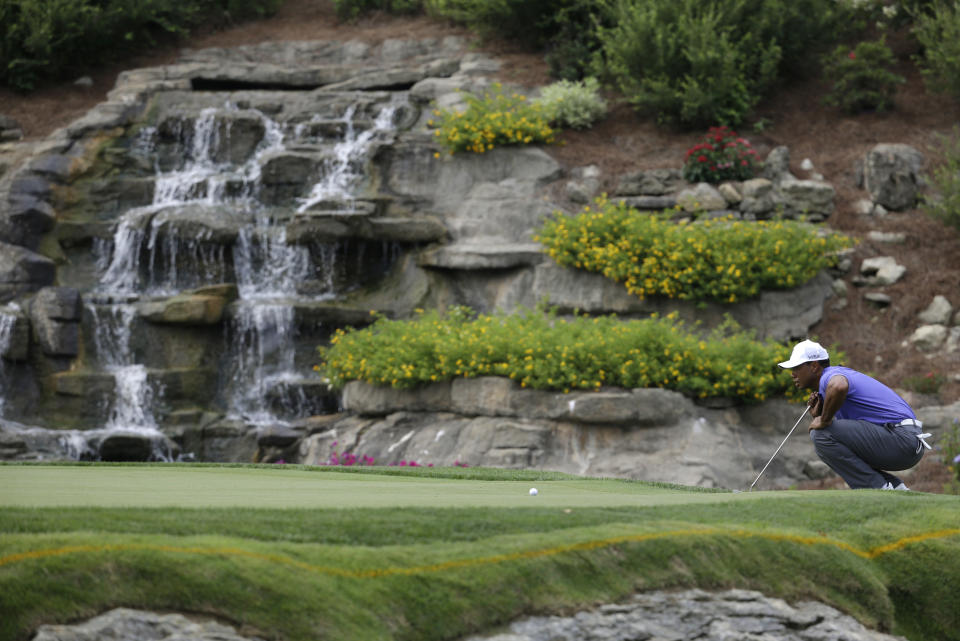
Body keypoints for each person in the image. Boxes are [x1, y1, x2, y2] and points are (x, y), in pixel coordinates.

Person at [777, 339, 932, 490]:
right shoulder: (830, 384)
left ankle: (878, 488)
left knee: (820, 434)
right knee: (829, 438)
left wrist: (824, 420)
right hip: (908, 444)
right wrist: (820, 414)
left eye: (796, 367)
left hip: (902, 439)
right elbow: (845, 443)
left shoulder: (830, 376)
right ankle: (895, 487)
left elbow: (839, 386)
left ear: (815, 366)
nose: (792, 374)